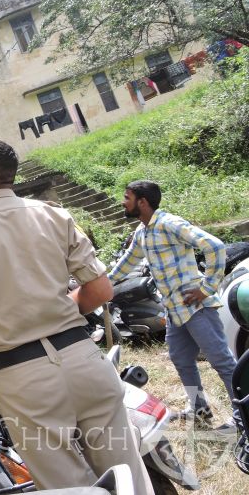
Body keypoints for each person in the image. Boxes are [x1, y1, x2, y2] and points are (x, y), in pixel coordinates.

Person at [0, 139, 151, 493]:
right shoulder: (54, 213)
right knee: (127, 475)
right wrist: (60, 307)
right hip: (84, 357)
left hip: (24, 378)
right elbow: (100, 292)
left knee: (69, 486)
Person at [109, 180, 236, 434]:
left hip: (196, 306)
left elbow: (215, 246)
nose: (123, 202)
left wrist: (207, 287)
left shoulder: (169, 224)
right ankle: (199, 409)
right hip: (174, 310)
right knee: (180, 358)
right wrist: (98, 283)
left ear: (142, 202)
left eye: (127, 197)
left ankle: (243, 414)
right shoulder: (142, 232)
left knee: (222, 362)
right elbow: (126, 263)